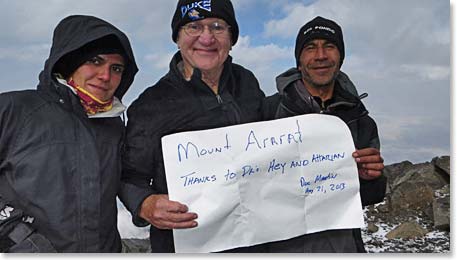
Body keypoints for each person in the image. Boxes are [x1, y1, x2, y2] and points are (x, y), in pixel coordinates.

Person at [120, 0, 266, 253]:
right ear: (177, 37)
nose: (206, 38)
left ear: (232, 38)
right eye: (193, 27)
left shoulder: (247, 83)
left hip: (254, 239)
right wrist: (144, 203)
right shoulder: (151, 104)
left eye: (218, 27)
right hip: (186, 244)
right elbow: (128, 175)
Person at [0, 15, 138, 252]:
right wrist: (21, 239)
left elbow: (128, 178)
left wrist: (145, 202)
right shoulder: (14, 109)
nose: (105, 76)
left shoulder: (114, 127)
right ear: (69, 61)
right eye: (95, 61)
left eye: (116, 68)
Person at [262, 16, 386, 252]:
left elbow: (370, 195)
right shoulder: (267, 111)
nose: (320, 55)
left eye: (329, 46)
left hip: (343, 246)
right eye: (310, 48)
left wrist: (372, 177)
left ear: (340, 58)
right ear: (299, 61)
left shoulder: (361, 120)